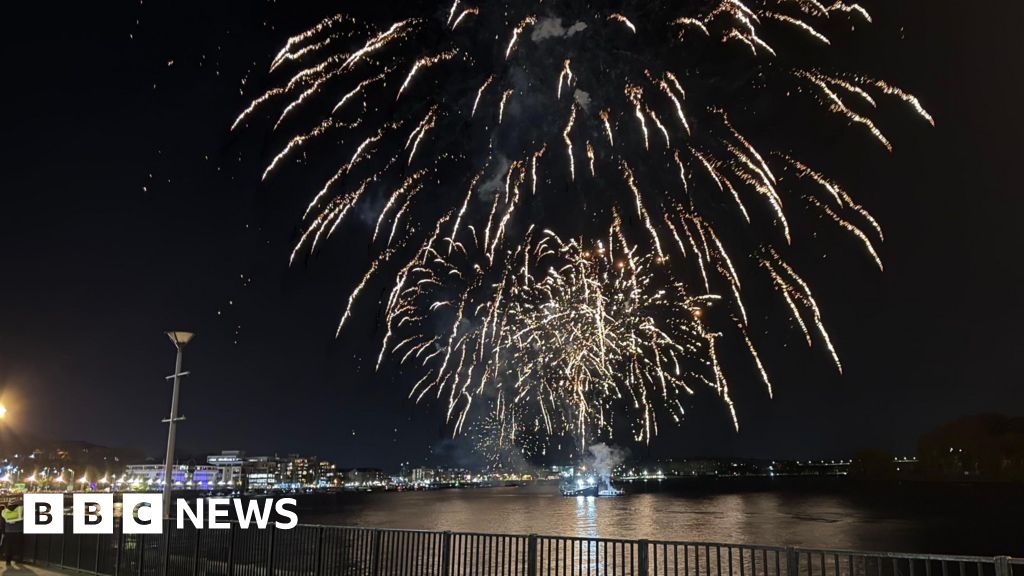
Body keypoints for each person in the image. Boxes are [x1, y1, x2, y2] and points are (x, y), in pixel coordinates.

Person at [1, 499, 23, 567]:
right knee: (18, 546)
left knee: (8, 547)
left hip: (8, 531)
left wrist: (4, 531)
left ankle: (8, 561)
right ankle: (17, 560)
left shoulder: (4, 511)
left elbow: (3, 523)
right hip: (18, 531)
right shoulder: (21, 509)